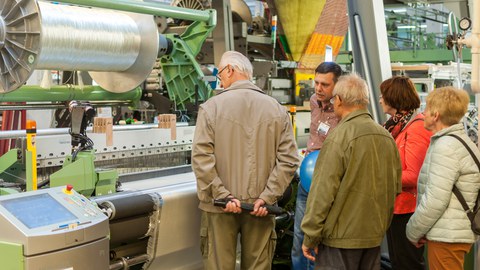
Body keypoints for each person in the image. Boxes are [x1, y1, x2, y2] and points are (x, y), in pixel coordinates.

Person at [191, 50, 300, 270]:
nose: (219, 78)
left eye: (219, 72)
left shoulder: (211, 107)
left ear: (230, 70)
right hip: (260, 209)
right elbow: (289, 159)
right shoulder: (277, 110)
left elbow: (201, 157)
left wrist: (223, 195)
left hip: (220, 207)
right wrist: (267, 197)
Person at [301, 73, 402, 269]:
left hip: (339, 241)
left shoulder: (339, 137)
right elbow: (394, 187)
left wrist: (310, 235)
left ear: (338, 100)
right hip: (372, 239)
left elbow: (322, 192)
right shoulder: (386, 137)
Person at [406, 87, 480, 270]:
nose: (423, 113)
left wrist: (413, 230)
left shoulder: (445, 146)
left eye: (427, 108)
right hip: (452, 232)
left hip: (447, 236)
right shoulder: (459, 141)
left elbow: (435, 200)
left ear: (436, 114)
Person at [292, 62, 343, 270]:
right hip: (307, 179)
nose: (318, 88)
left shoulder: (343, 110)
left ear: (337, 86)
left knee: (320, 241)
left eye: (325, 84)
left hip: (327, 181)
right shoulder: (314, 101)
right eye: (317, 82)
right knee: (298, 237)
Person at [379, 76, 432, 270]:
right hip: (397, 207)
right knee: (398, 262)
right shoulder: (398, 126)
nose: (380, 100)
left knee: (407, 264)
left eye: (383, 95)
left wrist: (379, 177)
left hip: (407, 212)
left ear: (394, 98)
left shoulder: (416, 128)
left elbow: (414, 175)